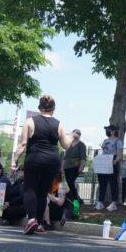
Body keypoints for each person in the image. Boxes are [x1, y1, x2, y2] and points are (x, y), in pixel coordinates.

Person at [11, 95, 73, 235]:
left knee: (30, 189)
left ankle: (32, 219)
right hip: (52, 161)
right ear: (53, 109)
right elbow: (66, 145)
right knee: (42, 192)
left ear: (39, 108)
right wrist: (72, 136)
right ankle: (38, 223)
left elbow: (22, 144)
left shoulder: (30, 122)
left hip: (34, 159)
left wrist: (14, 161)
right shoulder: (59, 124)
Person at [95, 124, 123, 212]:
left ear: (113, 131)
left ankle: (114, 203)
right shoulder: (105, 140)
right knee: (102, 182)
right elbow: (104, 151)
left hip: (113, 161)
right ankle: (100, 202)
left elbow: (119, 154)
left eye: (108, 129)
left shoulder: (118, 141)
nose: (107, 131)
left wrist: (116, 160)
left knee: (113, 183)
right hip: (104, 161)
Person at [63, 129, 86, 205]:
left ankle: (75, 198)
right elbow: (65, 157)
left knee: (70, 182)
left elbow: (83, 158)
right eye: (74, 132)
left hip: (75, 166)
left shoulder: (81, 145)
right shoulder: (69, 144)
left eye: (76, 133)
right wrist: (61, 167)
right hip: (67, 167)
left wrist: (81, 167)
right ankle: (73, 198)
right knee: (68, 183)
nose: (73, 134)